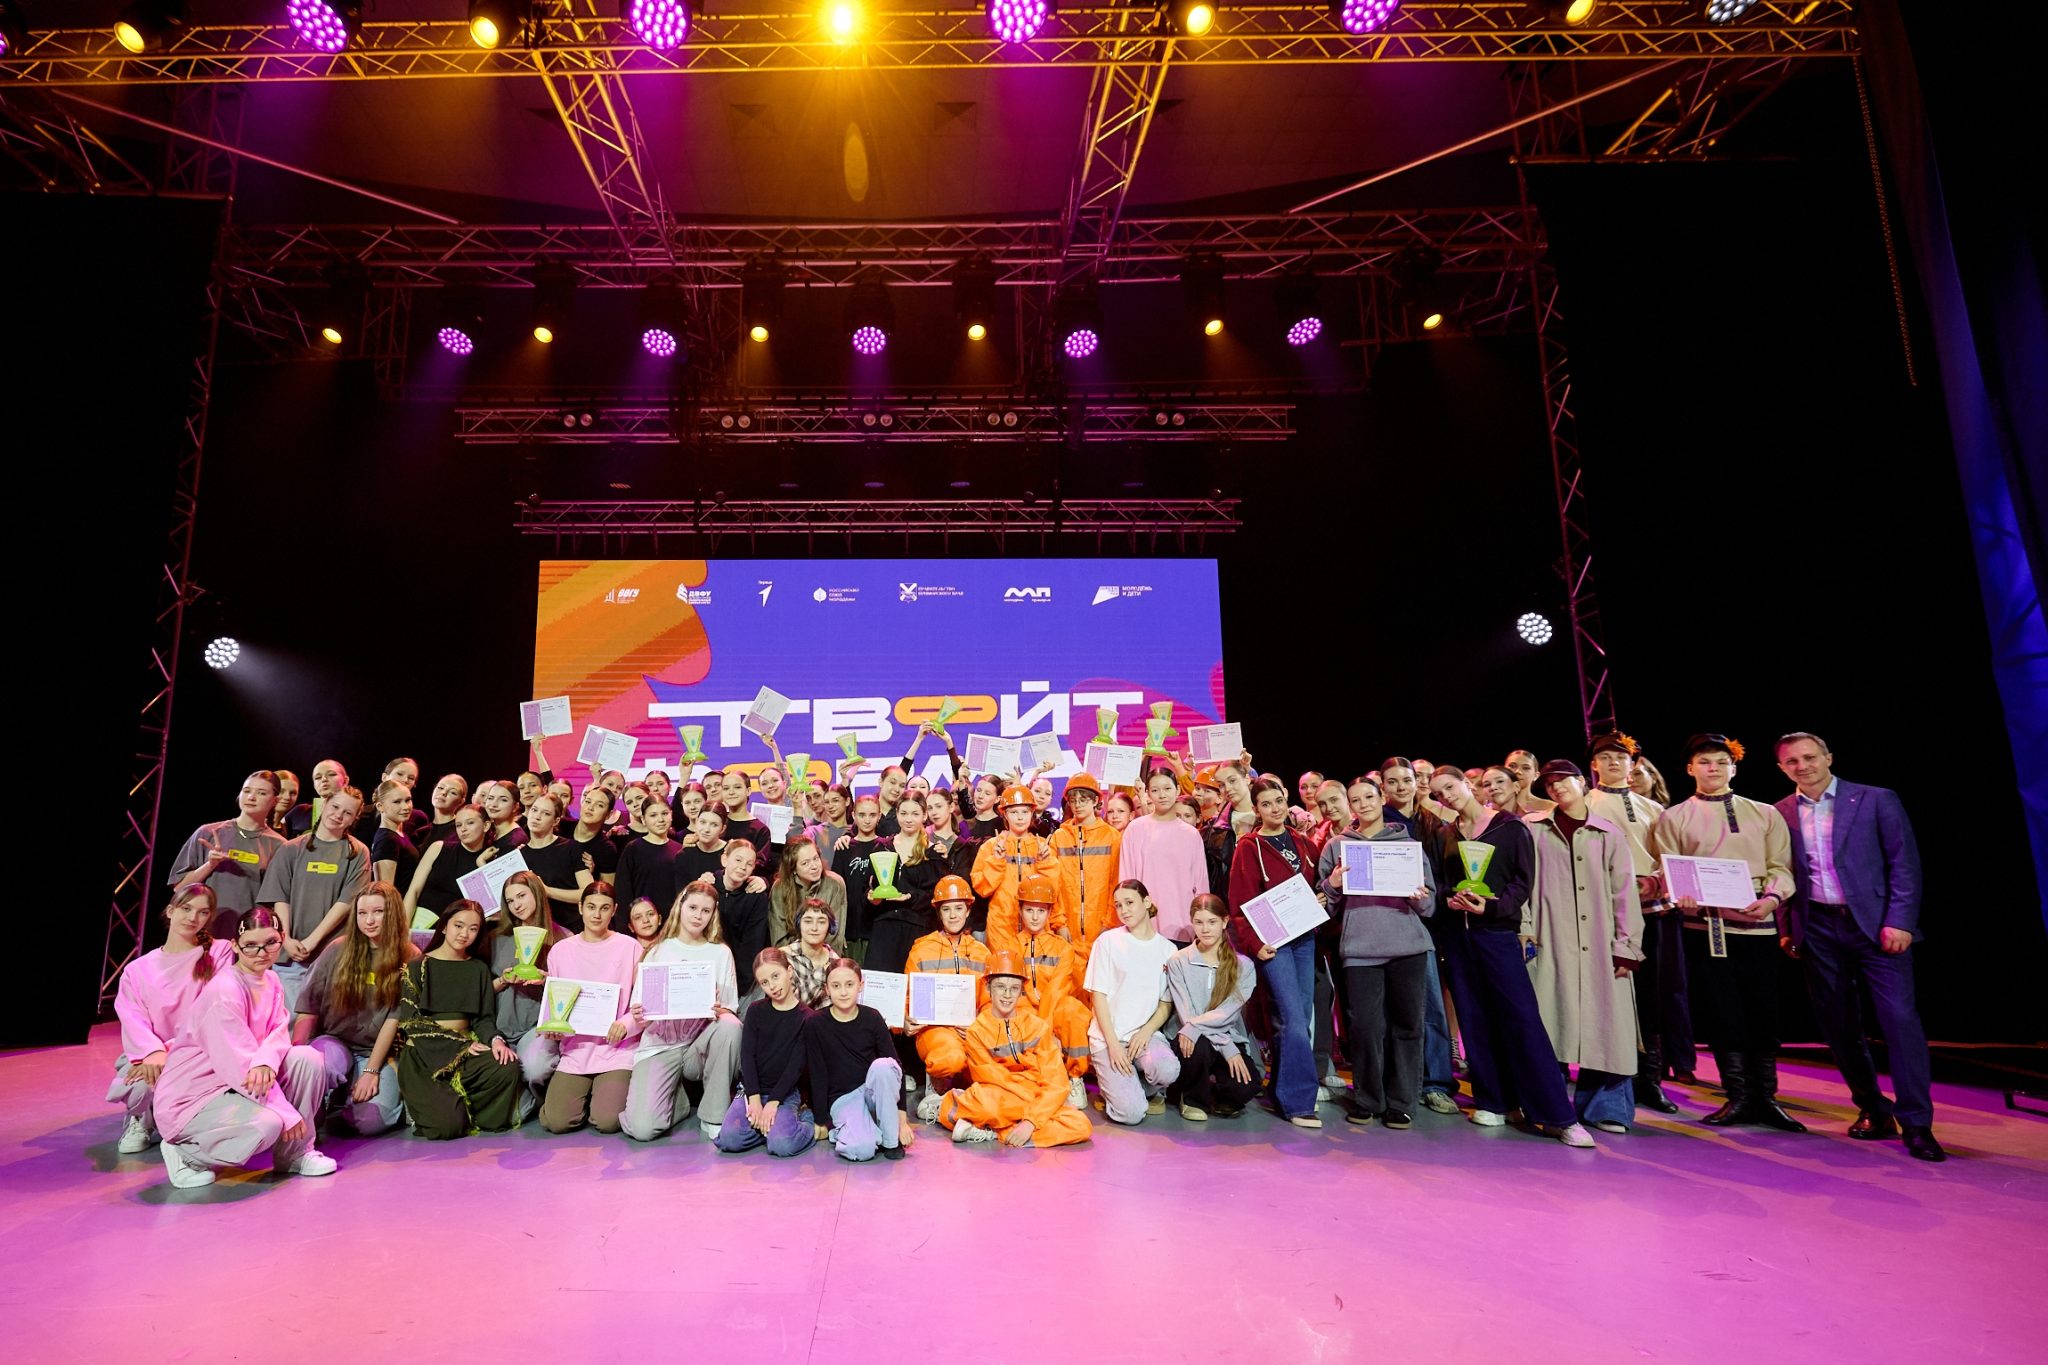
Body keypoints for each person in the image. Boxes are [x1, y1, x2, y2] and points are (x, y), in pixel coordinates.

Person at [1774, 733, 1943, 1160]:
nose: (1802, 766)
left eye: (1810, 757)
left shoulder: (1875, 799)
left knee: (1900, 1022)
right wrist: (1786, 928)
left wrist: (1899, 921)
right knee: (1838, 1025)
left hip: (1876, 926)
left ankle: (1917, 1123)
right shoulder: (1780, 812)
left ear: (1828, 757)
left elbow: (1904, 863)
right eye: (1792, 761)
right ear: (1782, 768)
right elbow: (1782, 872)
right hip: (1817, 928)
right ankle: (1873, 1109)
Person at [1426, 768, 1597, 1148]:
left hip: (1498, 934)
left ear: (1467, 784)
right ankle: (1495, 1101)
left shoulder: (1510, 826)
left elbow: (1523, 882)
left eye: (1450, 787)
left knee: (1522, 1020)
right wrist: (1449, 899)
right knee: (1473, 1020)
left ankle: (1558, 1116)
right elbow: (1439, 882)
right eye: (1437, 794)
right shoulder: (1445, 833)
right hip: (1459, 939)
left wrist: (1493, 908)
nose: (1446, 797)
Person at [1647, 734, 1803, 1132]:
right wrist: (1679, 893)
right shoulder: (1674, 817)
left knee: (1763, 1011)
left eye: (1720, 761)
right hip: (1708, 927)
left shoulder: (1764, 813)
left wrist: (1772, 899)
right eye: (1704, 762)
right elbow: (1669, 867)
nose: (1712, 768)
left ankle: (1766, 1098)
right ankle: (1739, 1096)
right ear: (1690, 769)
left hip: (1758, 924)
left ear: (1733, 767)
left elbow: (1781, 867)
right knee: (1721, 1011)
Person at [152, 908, 338, 1187]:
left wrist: (265, 1060)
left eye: (270, 942)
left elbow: (278, 1031)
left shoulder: (271, 980)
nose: (261, 953)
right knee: (269, 1124)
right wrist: (287, 1114)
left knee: (306, 1058)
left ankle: (295, 1154)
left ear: (282, 938)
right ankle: (186, 1153)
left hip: (233, 1083)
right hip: (194, 1097)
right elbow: (237, 1067)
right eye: (251, 945)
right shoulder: (225, 990)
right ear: (236, 946)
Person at [1525, 762, 1642, 1135]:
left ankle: (1607, 1107)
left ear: (1581, 782)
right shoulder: (1533, 828)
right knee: (1548, 1021)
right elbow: (1521, 880)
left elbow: (1624, 893)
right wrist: (1524, 931)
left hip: (1601, 942)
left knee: (1609, 1024)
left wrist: (1627, 945)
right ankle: (1549, 1104)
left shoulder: (1608, 832)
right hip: (1549, 937)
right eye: (1550, 784)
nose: (1557, 787)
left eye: (1563, 780)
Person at [1315, 781, 1437, 1129]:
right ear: (1349, 805)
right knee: (1365, 1027)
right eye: (1356, 800)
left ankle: (1402, 1102)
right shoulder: (1337, 847)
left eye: (1369, 797)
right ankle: (1368, 1099)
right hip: (1360, 950)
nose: (1364, 804)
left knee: (1407, 1026)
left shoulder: (1407, 846)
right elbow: (1324, 904)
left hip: (1408, 947)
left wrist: (1418, 897)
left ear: (1383, 798)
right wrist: (1332, 885)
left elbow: (1429, 905)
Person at [1586, 732, 1685, 1107]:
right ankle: (1612, 1079)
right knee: (1610, 993)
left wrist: (1655, 880)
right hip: (1606, 913)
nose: (1614, 762)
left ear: (1633, 764)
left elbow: (1668, 856)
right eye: (1605, 757)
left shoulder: (1653, 809)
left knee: (1650, 994)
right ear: (1594, 764)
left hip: (1650, 911)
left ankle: (1650, 1079)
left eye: (1621, 757)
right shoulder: (1586, 803)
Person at [1225, 776, 1327, 1128]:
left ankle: (1281, 1090)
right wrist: (1254, 944)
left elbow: (1315, 887)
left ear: (1286, 801)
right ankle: (1299, 1102)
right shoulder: (1249, 847)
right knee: (1293, 1019)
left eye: (1278, 801)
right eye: (1266, 804)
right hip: (1274, 943)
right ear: (1257, 809)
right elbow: (1239, 903)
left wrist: (1322, 897)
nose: (1275, 809)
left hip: (1305, 939)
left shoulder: (1303, 842)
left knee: (1296, 1018)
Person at [108, 885, 239, 1154]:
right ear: (170, 911)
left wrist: (170, 1051)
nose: (193, 918)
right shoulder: (137, 969)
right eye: (186, 909)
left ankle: (178, 1121)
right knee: (140, 1082)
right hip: (153, 1054)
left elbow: (214, 1008)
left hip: (197, 1052)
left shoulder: (220, 952)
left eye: (203, 912)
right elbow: (132, 1017)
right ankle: (140, 1119)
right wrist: (152, 1051)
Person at [292, 881, 418, 1137]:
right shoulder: (338, 949)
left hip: (377, 1052)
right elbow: (308, 1006)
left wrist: (371, 1071)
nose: (369, 920)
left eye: (378, 912)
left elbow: (394, 1019)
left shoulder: (410, 956)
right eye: (362, 913)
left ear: (393, 913)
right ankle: (326, 1098)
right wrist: (294, 1059)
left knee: (370, 1121)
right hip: (334, 1042)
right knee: (321, 1068)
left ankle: (345, 1098)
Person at [386, 900, 522, 1139]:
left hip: (465, 1050)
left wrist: (496, 1041)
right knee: (448, 1128)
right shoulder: (417, 967)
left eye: (473, 928)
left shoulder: (478, 969)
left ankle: (459, 1107)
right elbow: (411, 1022)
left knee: (506, 1066)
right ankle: (434, 1108)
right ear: (444, 926)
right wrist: (461, 1045)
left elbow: (483, 1018)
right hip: (424, 1056)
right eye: (458, 925)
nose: (464, 934)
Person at [623, 883, 745, 1143]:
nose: (698, 916)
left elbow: (729, 1008)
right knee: (643, 1129)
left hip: (698, 1046)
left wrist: (717, 1009)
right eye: (693, 908)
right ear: (680, 906)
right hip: (660, 1045)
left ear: (713, 914)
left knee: (730, 1024)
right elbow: (640, 1012)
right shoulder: (658, 950)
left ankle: (713, 1116)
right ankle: (675, 1102)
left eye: (705, 911)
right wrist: (639, 1015)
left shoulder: (720, 952)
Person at [934, 952, 1094, 1148]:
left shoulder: (1038, 1027)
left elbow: (1056, 1081)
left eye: (1014, 988)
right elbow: (993, 1079)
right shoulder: (977, 1031)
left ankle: (998, 1132)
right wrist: (1036, 1106)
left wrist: (1031, 1121)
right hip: (1000, 1096)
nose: (1007, 995)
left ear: (1021, 991)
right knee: (985, 1107)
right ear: (988, 988)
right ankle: (947, 1104)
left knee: (1080, 1126)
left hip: (1031, 1097)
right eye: (1000, 987)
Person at [539, 880, 642, 1134]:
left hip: (616, 1050)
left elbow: (643, 1002)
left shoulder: (630, 947)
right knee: (557, 1122)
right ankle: (575, 1102)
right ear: (580, 907)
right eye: (591, 907)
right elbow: (554, 1003)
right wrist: (553, 1029)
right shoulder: (561, 951)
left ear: (614, 910)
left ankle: (599, 1099)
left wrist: (625, 1024)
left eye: (604, 908)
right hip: (576, 1049)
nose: (597, 914)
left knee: (607, 1121)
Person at [257, 785, 371, 1010]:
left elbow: (347, 902)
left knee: (326, 1020)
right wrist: (286, 939)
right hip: (291, 955)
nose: (338, 815)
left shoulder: (358, 853)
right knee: (289, 1019)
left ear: (354, 818)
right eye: (335, 807)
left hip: (333, 956)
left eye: (347, 813)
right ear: (324, 804)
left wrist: (313, 940)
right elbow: (280, 897)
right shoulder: (291, 849)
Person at [1084, 880, 1181, 1126]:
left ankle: (1137, 1088)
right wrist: (1114, 1045)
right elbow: (1098, 997)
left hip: (1144, 1036)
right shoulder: (1107, 942)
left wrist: (1146, 1032)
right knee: (1132, 1114)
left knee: (1168, 1069)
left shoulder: (1168, 950)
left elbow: (1165, 1003)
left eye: (1129, 903)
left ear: (1146, 902)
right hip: (1109, 1039)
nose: (1124, 910)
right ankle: (1117, 1090)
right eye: (1118, 905)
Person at [804, 958, 913, 1161]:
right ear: (827, 989)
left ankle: (890, 1141)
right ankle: (859, 1130)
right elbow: (817, 1073)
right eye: (836, 986)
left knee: (883, 1066)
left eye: (849, 984)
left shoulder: (873, 1017)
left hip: (872, 1092)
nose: (843, 992)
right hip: (843, 1099)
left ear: (860, 986)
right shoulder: (815, 1023)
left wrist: (902, 1120)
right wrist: (821, 1120)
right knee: (862, 1150)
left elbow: (896, 1066)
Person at [1163, 895, 1260, 1121]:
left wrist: (1226, 1046)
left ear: (1224, 922)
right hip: (1189, 1038)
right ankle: (1192, 1099)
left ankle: (1215, 1093)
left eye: (1212, 922)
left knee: (1247, 1085)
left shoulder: (1244, 966)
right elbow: (1187, 1015)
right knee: (1196, 1044)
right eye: (1199, 922)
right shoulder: (1178, 961)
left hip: (1226, 1036)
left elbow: (1227, 1014)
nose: (1205, 929)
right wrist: (1225, 1046)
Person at [713, 948, 818, 1157]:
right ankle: (768, 1128)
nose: (772, 986)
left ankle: (804, 1121)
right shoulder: (755, 1010)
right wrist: (753, 1099)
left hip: (786, 1093)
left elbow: (795, 1067)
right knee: (729, 1140)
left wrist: (773, 1102)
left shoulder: (807, 1018)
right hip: (752, 1089)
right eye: (764, 982)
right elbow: (747, 1057)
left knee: (781, 1145)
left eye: (776, 976)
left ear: (789, 971)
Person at [908, 876, 992, 1119]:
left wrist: (978, 1027)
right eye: (946, 909)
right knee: (951, 1057)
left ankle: (962, 1097)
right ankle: (938, 1087)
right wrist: (904, 1020)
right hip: (934, 1032)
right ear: (938, 912)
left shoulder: (982, 953)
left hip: (971, 1031)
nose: (953, 915)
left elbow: (989, 1002)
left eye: (958, 908)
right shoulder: (921, 949)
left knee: (994, 1065)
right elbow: (908, 998)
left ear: (968, 910)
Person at [166, 771, 286, 939]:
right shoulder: (208, 833)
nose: (251, 797)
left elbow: (279, 902)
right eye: (247, 791)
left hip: (248, 936)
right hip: (203, 934)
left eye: (261, 793)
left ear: (275, 800)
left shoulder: (279, 846)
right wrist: (210, 865)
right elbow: (179, 887)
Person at [488, 872, 566, 1118]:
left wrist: (546, 980)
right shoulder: (496, 939)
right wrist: (503, 980)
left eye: (521, 896)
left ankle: (542, 1101)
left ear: (537, 893)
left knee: (535, 1068)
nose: (517, 905)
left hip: (537, 1027)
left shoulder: (562, 939)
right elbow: (481, 989)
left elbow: (571, 991)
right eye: (510, 901)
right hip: (500, 1027)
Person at [1013, 877, 1094, 1109]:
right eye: (1029, 910)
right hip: (1025, 1011)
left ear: (1050, 912)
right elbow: (1015, 991)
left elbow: (1056, 991)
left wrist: (1045, 1031)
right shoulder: (1011, 946)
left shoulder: (1063, 948)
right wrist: (1043, 1033)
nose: (1035, 917)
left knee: (1074, 1010)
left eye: (1041, 911)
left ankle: (1075, 1077)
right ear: (1020, 911)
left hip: (1052, 1010)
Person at [972, 784, 1066, 959]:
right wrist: (996, 861)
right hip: (1001, 928)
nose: (1020, 817)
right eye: (1014, 812)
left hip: (1037, 928)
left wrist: (1044, 862)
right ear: (1005, 814)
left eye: (1025, 812)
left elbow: (1054, 890)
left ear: (1032, 813)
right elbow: (982, 888)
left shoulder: (1043, 846)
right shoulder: (991, 847)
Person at [1119, 767, 1208, 946]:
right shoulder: (1135, 829)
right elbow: (1126, 881)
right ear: (1147, 793)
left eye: (1167, 788)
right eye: (1155, 790)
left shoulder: (1191, 835)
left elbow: (1201, 886)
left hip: (1183, 927)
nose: (1162, 795)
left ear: (1177, 790)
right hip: (1143, 927)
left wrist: (1201, 924)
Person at [865, 794, 945, 975]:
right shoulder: (882, 847)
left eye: (915, 814)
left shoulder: (934, 853)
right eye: (904, 813)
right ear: (897, 814)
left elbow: (937, 898)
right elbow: (868, 887)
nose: (909, 819)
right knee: (881, 988)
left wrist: (910, 897)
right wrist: (872, 898)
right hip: (884, 930)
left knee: (915, 987)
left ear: (925, 815)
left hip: (919, 931)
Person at [1050, 773, 1123, 969]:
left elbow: (1115, 883)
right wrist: (1059, 923)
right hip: (1068, 930)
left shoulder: (1112, 836)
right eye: (1073, 800)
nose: (1077, 805)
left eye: (1083, 800)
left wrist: (1110, 923)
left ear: (1095, 801)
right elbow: (1053, 884)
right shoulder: (1059, 837)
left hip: (1102, 929)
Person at [404, 804, 493, 929]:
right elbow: (414, 891)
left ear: (486, 825)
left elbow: (487, 909)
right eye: (458, 825)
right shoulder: (438, 848)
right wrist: (403, 929)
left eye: (470, 823)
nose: (463, 829)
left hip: (456, 931)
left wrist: (481, 864)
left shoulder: (487, 861)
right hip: (420, 925)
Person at [831, 794, 889, 958]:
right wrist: (838, 930)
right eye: (862, 815)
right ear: (854, 815)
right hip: (850, 928)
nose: (867, 820)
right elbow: (837, 892)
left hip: (877, 928)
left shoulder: (886, 847)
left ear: (879, 816)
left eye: (872, 815)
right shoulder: (844, 847)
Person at [769, 836, 849, 952]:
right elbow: (779, 939)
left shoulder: (835, 884)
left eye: (816, 858)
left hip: (825, 956)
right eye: (805, 863)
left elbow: (835, 936)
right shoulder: (779, 889)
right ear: (793, 868)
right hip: (790, 956)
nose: (814, 866)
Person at [614, 798, 685, 925]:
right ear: (643, 819)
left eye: (664, 813)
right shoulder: (633, 849)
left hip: (673, 923)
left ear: (671, 814)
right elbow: (623, 892)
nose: (660, 819)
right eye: (653, 815)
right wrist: (625, 925)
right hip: (642, 923)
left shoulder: (680, 850)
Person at [517, 794, 585, 912]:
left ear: (556, 821)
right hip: (539, 921)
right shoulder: (520, 856)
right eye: (534, 810)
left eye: (546, 813)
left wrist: (547, 891)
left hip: (571, 920)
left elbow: (588, 893)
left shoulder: (571, 848)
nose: (537, 817)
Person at [785, 898, 841, 1009]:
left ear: (829, 926)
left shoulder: (835, 961)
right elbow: (790, 1005)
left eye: (821, 922)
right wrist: (822, 973)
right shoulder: (785, 956)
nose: (814, 928)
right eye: (808, 921)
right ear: (799, 924)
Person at [367, 779, 420, 894]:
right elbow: (386, 893)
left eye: (408, 800)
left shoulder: (399, 834)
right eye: (397, 802)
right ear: (380, 806)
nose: (406, 807)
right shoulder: (387, 840)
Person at [284, 758, 349, 838]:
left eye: (331, 774)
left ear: (345, 781)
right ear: (314, 785)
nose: (324, 779)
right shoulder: (300, 811)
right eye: (318, 777)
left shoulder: (358, 815)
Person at [413, 774, 468, 848]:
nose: (443, 793)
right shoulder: (420, 833)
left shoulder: (462, 830)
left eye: (453, 792)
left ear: (461, 801)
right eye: (440, 788)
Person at [270, 770, 300, 835]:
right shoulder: (255, 824)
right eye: (281, 791)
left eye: (293, 793)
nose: (287, 797)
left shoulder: (286, 828)